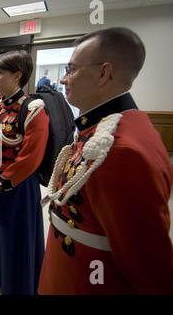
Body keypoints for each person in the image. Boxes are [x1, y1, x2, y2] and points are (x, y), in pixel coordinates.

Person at [39, 27, 173, 294]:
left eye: (71, 69)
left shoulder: (122, 150)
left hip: (89, 280)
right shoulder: (115, 124)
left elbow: (147, 265)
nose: (64, 80)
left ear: (104, 73)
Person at [0, 50, 47, 294]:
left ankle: (19, 282)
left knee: (17, 235)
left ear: (17, 76)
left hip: (18, 185)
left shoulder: (33, 108)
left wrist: (4, 182)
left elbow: (31, 156)